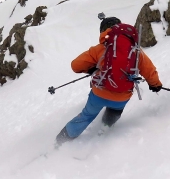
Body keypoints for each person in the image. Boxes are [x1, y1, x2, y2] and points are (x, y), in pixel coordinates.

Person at [55, 16, 161, 146]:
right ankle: (104, 130)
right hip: (122, 96)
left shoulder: (99, 49)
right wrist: (155, 85)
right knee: (115, 110)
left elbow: (75, 65)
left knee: (86, 116)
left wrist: (92, 69)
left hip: (99, 93)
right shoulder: (135, 50)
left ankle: (60, 141)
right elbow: (149, 70)